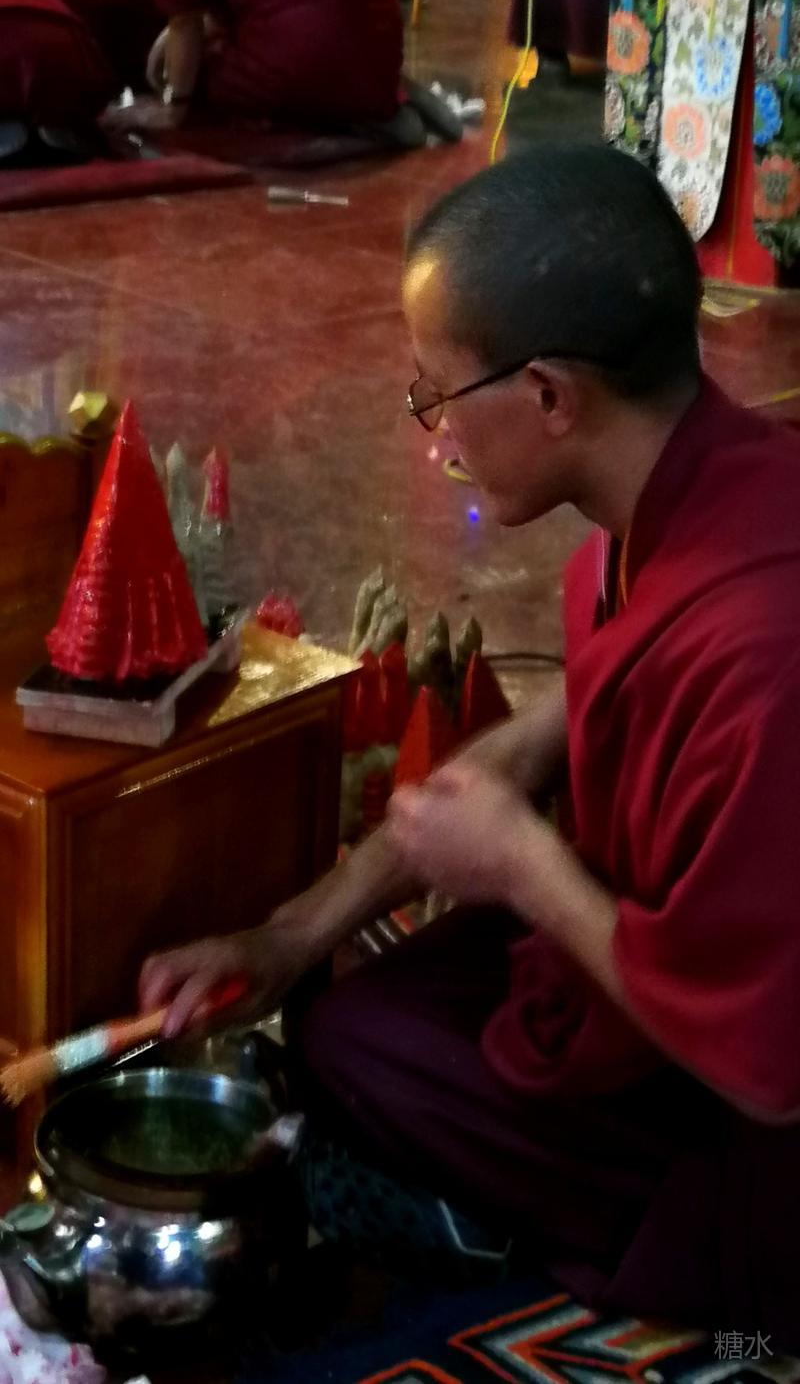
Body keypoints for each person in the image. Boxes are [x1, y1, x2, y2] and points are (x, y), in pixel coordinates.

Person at [140, 144, 800, 1349]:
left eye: (437, 394)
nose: (432, 436)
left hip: (752, 1117)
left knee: (367, 1073)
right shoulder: (682, 503)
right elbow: (556, 732)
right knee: (349, 1024)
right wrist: (287, 936)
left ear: (548, 396)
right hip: (668, 968)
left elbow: (762, 1067)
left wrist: (524, 869)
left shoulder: (760, 649)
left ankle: (534, 1242)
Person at [0, 0, 452, 156]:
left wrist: (175, 105)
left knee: (184, 72)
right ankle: (384, 96)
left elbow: (186, 17)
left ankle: (347, 108)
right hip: (375, 24)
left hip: (299, 47)